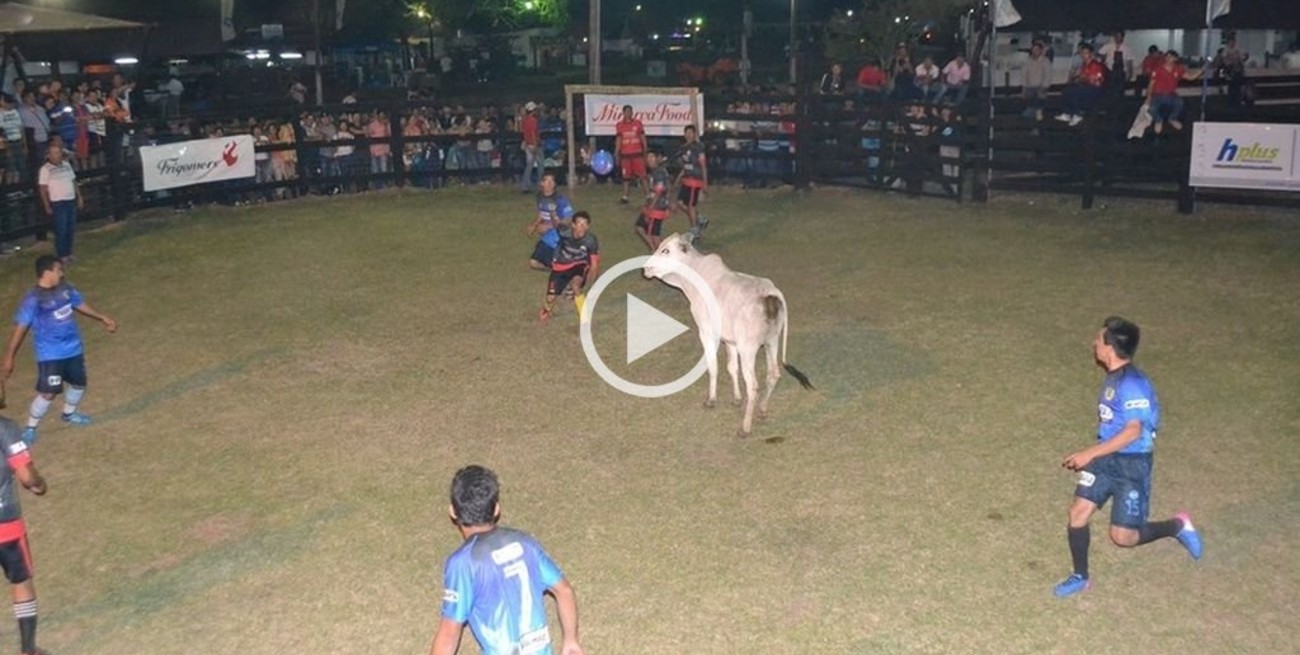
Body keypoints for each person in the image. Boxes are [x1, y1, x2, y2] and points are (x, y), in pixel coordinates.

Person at [1054, 317, 1204, 598]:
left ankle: (1178, 525)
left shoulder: (1133, 384)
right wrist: (1098, 453)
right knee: (1078, 512)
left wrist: (1089, 453)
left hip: (1131, 465)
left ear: (1110, 347)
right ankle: (1080, 576)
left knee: (1123, 537)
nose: (1094, 343)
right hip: (1107, 457)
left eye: (1099, 339)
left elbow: (1134, 431)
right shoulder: (1115, 377)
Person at [428, 465, 584, 655]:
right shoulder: (526, 543)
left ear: (453, 511)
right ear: (496, 509)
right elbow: (564, 590)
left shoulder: (463, 563)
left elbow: (449, 633)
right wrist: (571, 640)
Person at [2, 255, 117, 445]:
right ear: (47, 273)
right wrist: (9, 357)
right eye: (58, 270)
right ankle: (31, 427)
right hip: (50, 354)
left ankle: (69, 414)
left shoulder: (65, 288)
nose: (61, 273)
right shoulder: (33, 299)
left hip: (73, 348)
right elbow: (20, 329)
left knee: (79, 384)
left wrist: (101, 317)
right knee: (49, 392)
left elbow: (79, 304)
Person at [0, 414, 47, 655]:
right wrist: (40, 484)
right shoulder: (4, 427)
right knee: (21, 581)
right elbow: (26, 476)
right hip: (5, 523)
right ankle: (28, 649)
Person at [539, 211, 599, 325]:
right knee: (550, 298)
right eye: (579, 224)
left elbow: (594, 264)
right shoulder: (564, 232)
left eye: (585, 224)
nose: (581, 227)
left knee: (576, 286)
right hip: (560, 266)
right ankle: (547, 309)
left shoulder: (591, 241)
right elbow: (557, 224)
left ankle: (585, 318)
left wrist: (593, 285)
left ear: (588, 226)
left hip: (579, 264)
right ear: (573, 225)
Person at [36, 137, 81, 265]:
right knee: (61, 229)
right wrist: (46, 204)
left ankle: (69, 252)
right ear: (49, 155)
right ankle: (62, 255)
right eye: (55, 153)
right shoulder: (45, 169)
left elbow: (73, 181)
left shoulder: (66, 165)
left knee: (70, 228)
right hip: (58, 202)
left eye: (59, 152)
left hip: (70, 199)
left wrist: (79, 196)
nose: (58, 155)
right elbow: (43, 189)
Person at [526, 174, 575, 272]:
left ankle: (563, 273)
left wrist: (550, 226)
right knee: (533, 263)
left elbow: (569, 218)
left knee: (561, 264)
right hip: (547, 238)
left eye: (551, 181)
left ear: (555, 184)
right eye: (547, 181)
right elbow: (542, 213)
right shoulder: (540, 197)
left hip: (559, 238)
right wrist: (534, 225)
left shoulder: (560, 199)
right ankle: (556, 271)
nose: (549, 184)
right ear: (541, 183)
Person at [1147, 51, 1202, 134]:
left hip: (1171, 94)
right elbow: (1151, 84)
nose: (1168, 58)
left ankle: (1172, 119)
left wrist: (1201, 70)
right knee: (1151, 109)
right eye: (1167, 56)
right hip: (1158, 95)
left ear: (1175, 59)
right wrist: (1148, 97)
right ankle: (1158, 120)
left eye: (1171, 57)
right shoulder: (1158, 69)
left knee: (1180, 103)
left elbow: (1191, 77)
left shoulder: (1178, 69)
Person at [1055, 43, 1106, 126]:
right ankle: (1067, 113)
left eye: (1086, 53)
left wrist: (1084, 78)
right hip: (1085, 88)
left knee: (1075, 92)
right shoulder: (1083, 65)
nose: (1083, 55)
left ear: (1091, 54)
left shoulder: (1096, 65)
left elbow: (1096, 80)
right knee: (1067, 91)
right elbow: (1080, 77)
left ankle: (1077, 114)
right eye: (1082, 53)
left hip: (1095, 90)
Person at [673, 124, 708, 236]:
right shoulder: (683, 148)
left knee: (690, 205)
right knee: (679, 203)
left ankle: (694, 229)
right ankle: (699, 218)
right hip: (686, 180)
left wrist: (705, 183)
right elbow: (685, 166)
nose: (688, 135)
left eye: (690, 133)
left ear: (694, 134)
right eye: (686, 133)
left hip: (694, 180)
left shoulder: (698, 147)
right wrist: (678, 179)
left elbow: (703, 165)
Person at [633, 150, 670, 252]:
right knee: (640, 227)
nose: (649, 160)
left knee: (654, 235)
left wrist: (650, 209)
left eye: (652, 157)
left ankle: (661, 255)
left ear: (658, 158)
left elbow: (658, 191)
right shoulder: (655, 172)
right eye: (648, 158)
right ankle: (656, 251)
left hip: (656, 208)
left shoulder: (659, 172)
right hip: (653, 206)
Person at [614, 105, 647, 204]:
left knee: (643, 176)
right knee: (626, 177)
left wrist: (645, 149)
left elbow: (642, 137)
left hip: (637, 154)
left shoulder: (638, 123)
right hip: (625, 155)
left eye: (630, 111)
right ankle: (625, 197)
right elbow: (619, 139)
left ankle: (648, 195)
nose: (628, 113)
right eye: (626, 111)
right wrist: (616, 152)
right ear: (623, 113)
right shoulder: (619, 125)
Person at [519, 101, 543, 193]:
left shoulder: (525, 120)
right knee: (540, 165)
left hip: (528, 144)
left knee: (529, 166)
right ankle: (539, 185)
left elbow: (525, 133)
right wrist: (535, 145)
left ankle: (525, 186)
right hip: (534, 144)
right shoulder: (533, 120)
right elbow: (533, 133)